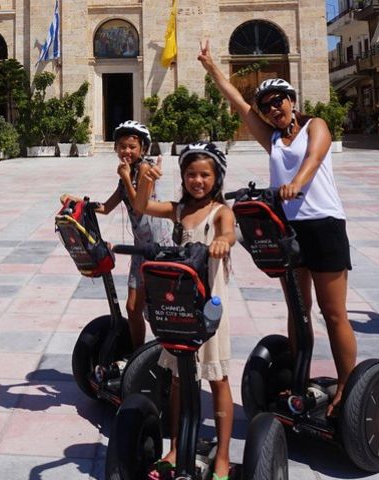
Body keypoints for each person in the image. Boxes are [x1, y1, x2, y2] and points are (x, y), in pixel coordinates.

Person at [198, 39, 355, 418]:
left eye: (278, 101)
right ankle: (298, 378)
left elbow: (315, 158)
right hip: (289, 230)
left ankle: (348, 386)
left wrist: (297, 182)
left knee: (333, 313)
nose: (273, 109)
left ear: (291, 100)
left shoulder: (315, 125)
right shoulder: (271, 138)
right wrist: (210, 65)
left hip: (325, 225)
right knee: (298, 309)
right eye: (267, 107)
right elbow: (237, 101)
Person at [133, 142, 236, 480]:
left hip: (209, 309)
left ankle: (222, 455)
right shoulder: (178, 211)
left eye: (205, 174)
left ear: (216, 178)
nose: (197, 180)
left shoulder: (220, 211)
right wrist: (145, 178)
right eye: (191, 174)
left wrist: (222, 241)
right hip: (180, 307)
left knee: (217, 378)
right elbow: (141, 205)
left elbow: (228, 232)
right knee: (178, 379)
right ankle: (176, 446)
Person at [60, 120, 172, 351]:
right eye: (122, 146)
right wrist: (77, 201)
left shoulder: (144, 170)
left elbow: (139, 205)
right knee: (133, 308)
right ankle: (136, 354)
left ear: (143, 148)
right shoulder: (127, 173)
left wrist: (124, 178)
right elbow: (106, 207)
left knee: (161, 308)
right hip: (141, 248)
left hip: (159, 248)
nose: (127, 151)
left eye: (132, 146)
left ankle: (171, 353)